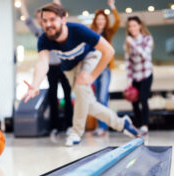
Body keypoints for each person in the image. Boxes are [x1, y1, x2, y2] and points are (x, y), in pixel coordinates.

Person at [23, 3, 140, 146]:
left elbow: (109, 51)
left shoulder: (79, 30)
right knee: (88, 104)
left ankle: (76, 132)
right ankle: (122, 123)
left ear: (63, 19)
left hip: (89, 58)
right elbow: (42, 63)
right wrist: (35, 85)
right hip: (69, 68)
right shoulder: (45, 39)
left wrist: (92, 76)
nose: (48, 24)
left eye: (52, 19)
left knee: (80, 88)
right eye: (45, 21)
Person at [19, 0, 73, 134]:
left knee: (67, 96)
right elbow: (27, 21)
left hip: (64, 66)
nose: (43, 20)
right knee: (52, 97)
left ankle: (69, 126)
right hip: (50, 68)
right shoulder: (40, 33)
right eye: (41, 18)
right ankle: (55, 126)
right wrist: (21, 5)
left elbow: (59, 10)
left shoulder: (58, 29)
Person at [90, 0, 120, 136]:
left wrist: (112, 7)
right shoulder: (91, 33)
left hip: (105, 69)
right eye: (98, 19)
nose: (101, 21)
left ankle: (103, 127)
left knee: (103, 97)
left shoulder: (109, 32)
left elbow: (118, 21)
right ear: (95, 21)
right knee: (96, 99)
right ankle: (100, 126)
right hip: (93, 70)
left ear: (105, 21)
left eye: (103, 19)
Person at [125, 16, 153, 136]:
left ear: (140, 25)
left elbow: (145, 56)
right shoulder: (128, 43)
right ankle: (138, 125)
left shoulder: (147, 39)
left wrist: (134, 44)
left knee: (143, 99)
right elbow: (128, 63)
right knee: (134, 101)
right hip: (135, 76)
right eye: (130, 26)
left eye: (134, 25)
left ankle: (145, 125)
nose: (132, 28)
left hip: (146, 74)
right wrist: (129, 80)